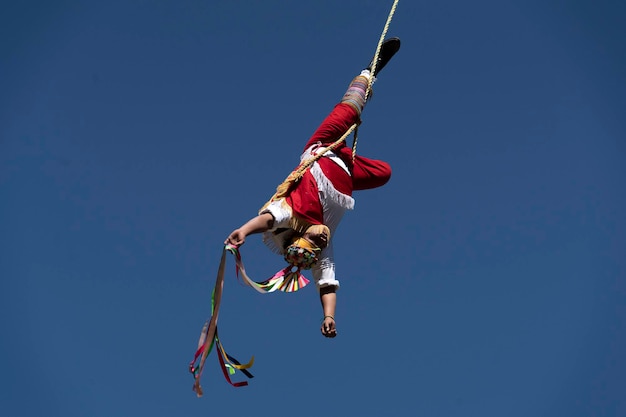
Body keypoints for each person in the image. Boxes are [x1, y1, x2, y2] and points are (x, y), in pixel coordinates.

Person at [226, 38, 401, 338]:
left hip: (321, 148)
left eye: (315, 241)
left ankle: (369, 71)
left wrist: (242, 231)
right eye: (321, 247)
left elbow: (266, 219)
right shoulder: (322, 249)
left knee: (349, 110)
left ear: (301, 236)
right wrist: (329, 316)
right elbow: (326, 282)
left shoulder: (290, 215)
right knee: (384, 173)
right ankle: (347, 149)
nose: (322, 239)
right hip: (346, 172)